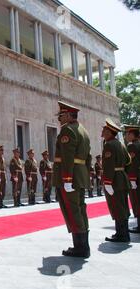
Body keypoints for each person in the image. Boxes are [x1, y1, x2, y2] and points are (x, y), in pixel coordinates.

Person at [52, 101, 91, 258]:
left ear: (68, 115)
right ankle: (83, 245)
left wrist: (67, 179)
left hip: (70, 177)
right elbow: (87, 157)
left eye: (61, 116)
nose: (59, 119)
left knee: (72, 210)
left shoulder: (67, 130)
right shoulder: (83, 130)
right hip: (79, 175)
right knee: (80, 209)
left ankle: (80, 248)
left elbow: (67, 157)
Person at [101, 119, 131, 243]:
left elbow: (108, 165)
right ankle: (124, 233)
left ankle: (121, 234)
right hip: (122, 178)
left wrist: (107, 182)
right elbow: (129, 161)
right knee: (123, 206)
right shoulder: (121, 144)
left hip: (114, 180)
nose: (102, 131)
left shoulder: (109, 145)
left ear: (109, 132)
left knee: (117, 207)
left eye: (104, 129)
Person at [125, 125, 140, 233]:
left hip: (136, 177)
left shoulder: (132, 146)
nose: (126, 136)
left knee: (137, 201)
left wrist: (132, 179)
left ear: (132, 135)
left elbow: (133, 164)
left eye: (127, 134)